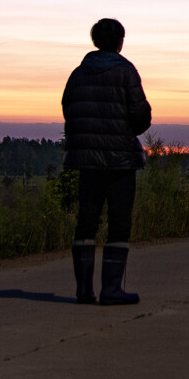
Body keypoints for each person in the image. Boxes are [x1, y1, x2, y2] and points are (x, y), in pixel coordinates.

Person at [62, 17, 152, 304]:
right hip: (120, 161)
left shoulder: (77, 74)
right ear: (120, 41)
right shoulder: (126, 72)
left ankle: (84, 290)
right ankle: (111, 289)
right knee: (119, 223)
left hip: (87, 162)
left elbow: (70, 111)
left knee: (86, 222)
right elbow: (140, 117)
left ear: (95, 40)